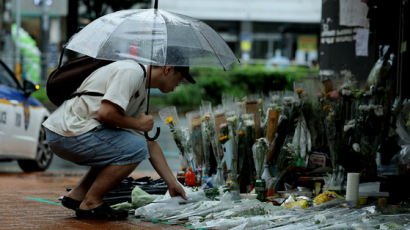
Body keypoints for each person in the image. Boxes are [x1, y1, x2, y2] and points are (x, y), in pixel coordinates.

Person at [42, 57, 195, 220]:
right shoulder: (131, 72)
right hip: (69, 132)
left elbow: (149, 143)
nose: (178, 85)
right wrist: (138, 123)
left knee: (123, 146)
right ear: (168, 69)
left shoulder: (141, 88)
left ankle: (77, 195)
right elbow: (106, 113)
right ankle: (91, 203)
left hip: (68, 132)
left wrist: (172, 183)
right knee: (133, 148)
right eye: (179, 80)